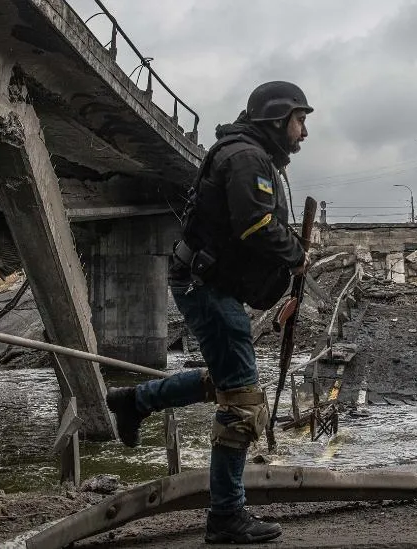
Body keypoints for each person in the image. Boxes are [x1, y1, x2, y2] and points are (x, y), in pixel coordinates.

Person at [106, 81, 312, 544]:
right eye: (300, 121)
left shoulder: (251, 155)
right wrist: (295, 255)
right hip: (206, 286)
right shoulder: (246, 159)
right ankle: (225, 516)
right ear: (277, 120)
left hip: (209, 283)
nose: (303, 132)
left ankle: (133, 402)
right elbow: (256, 226)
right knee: (241, 399)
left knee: (224, 381)